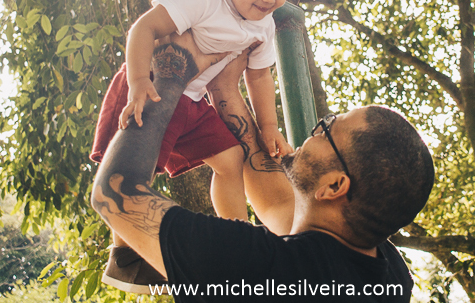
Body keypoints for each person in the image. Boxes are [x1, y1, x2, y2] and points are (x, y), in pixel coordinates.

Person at [89, 0, 323, 291]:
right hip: (153, 89)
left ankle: (237, 235)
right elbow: (144, 29)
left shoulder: (263, 26)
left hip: (194, 104)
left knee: (232, 157)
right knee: (138, 170)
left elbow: (260, 77)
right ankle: (124, 256)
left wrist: (269, 127)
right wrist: (141, 82)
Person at [91, 39, 435, 302]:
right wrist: (224, 89)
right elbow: (275, 203)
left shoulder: (256, 268)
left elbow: (114, 194)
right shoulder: (386, 275)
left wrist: (169, 74)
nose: (314, 130)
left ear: (334, 186)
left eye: (327, 129)